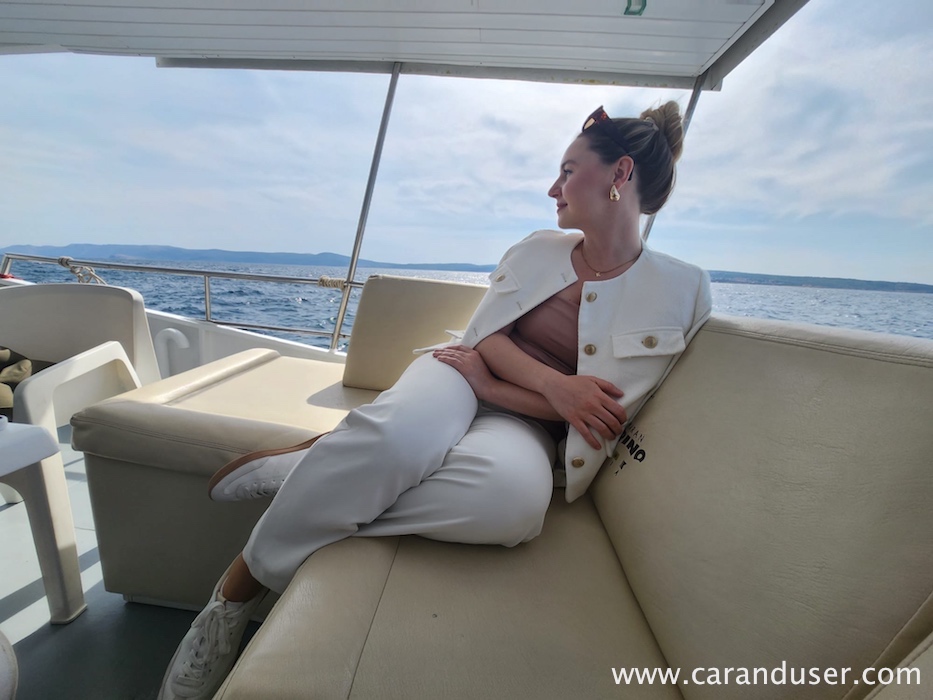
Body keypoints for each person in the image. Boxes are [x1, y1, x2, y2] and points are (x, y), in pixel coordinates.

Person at [158, 102, 712, 700]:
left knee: (512, 506)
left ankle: (316, 469)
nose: (553, 188)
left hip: (529, 423)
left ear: (619, 174)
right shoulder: (537, 249)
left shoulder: (680, 291)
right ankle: (236, 591)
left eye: (568, 171)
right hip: (460, 372)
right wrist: (546, 382)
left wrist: (508, 393)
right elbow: (485, 338)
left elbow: (602, 413)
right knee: (399, 440)